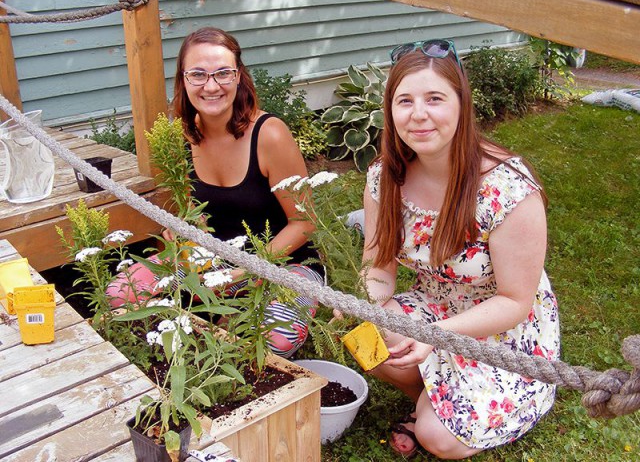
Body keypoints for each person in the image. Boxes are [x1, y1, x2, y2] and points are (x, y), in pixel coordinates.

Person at [359, 40, 560, 458]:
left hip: (503, 330)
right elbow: (377, 264)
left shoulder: (507, 189)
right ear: (390, 109)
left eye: (435, 99)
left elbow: (515, 301)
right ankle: (434, 396)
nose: (418, 114)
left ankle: (455, 411)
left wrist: (436, 336)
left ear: (461, 104)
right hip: (435, 304)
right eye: (405, 100)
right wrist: (368, 302)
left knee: (439, 440)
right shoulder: (386, 177)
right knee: (368, 340)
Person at [108, 27, 323, 359]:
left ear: (239, 77)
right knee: (122, 293)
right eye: (198, 74)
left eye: (223, 73)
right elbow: (195, 211)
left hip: (283, 263)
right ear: (183, 80)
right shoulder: (181, 133)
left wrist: (247, 270)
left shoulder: (269, 134)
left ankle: (227, 326)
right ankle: (187, 346)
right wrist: (180, 231)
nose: (211, 86)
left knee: (271, 342)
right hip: (208, 260)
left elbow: (305, 223)